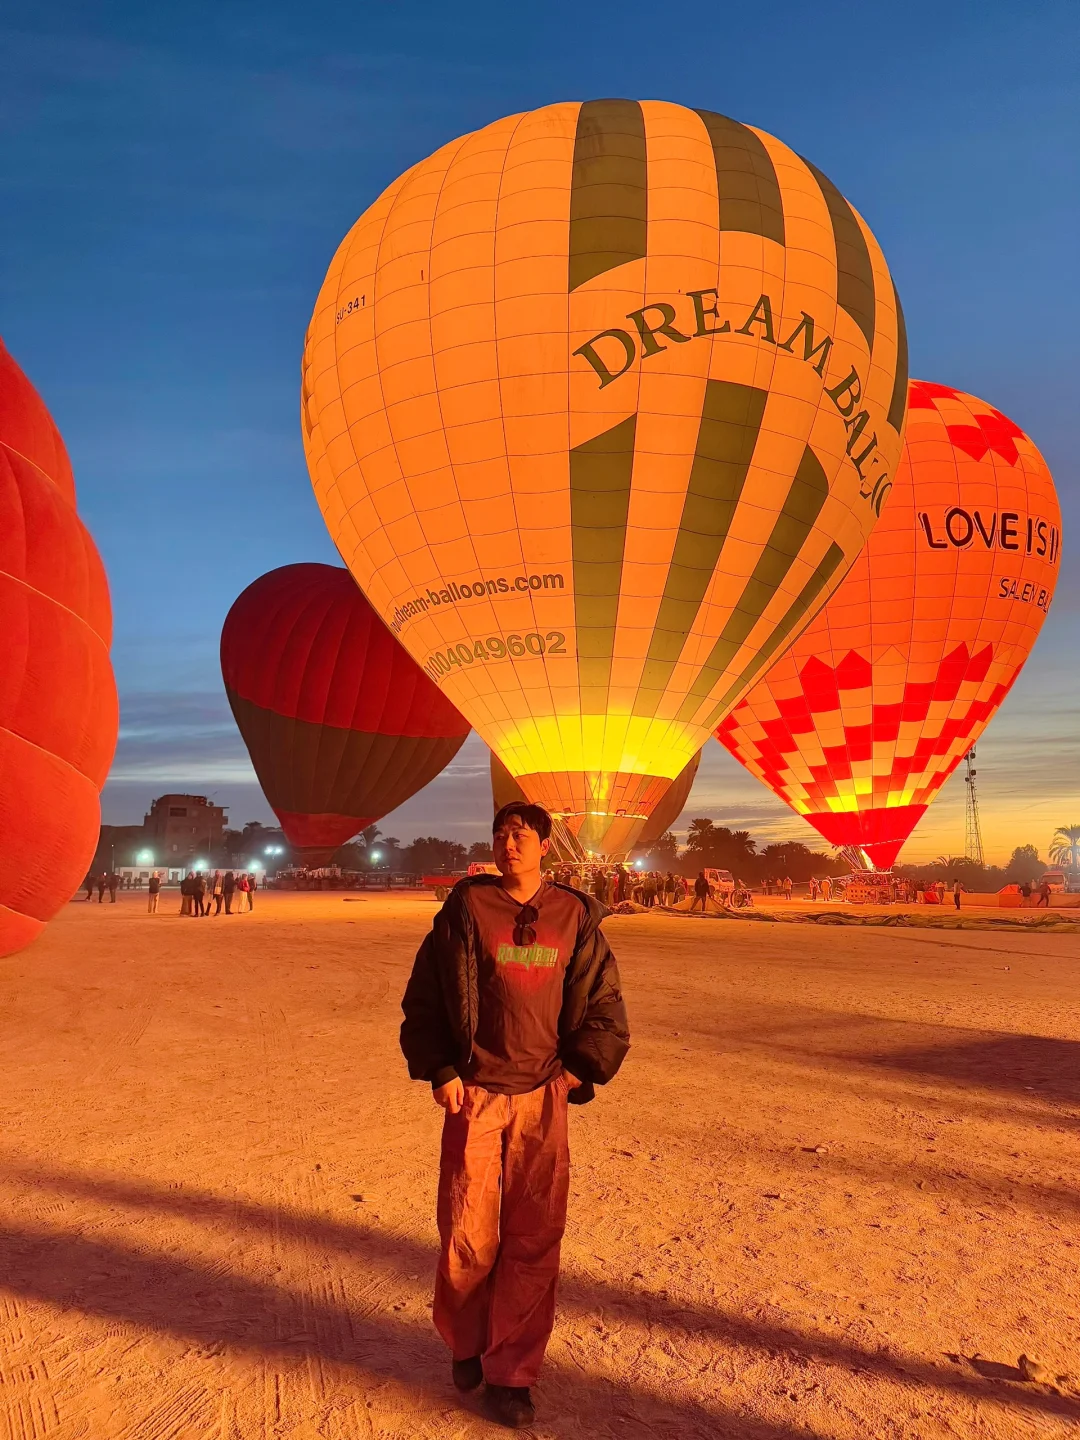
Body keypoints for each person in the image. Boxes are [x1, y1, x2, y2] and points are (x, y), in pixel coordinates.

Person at [400, 802, 629, 1431]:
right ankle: (467, 1342)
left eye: (522, 835)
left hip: (542, 1098)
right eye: (501, 834)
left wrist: (582, 1068)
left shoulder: (575, 915)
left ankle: (512, 1375)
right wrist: (441, 1069)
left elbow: (605, 1002)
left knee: (534, 1237)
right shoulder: (467, 910)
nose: (510, 844)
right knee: (467, 1232)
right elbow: (424, 997)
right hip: (475, 1093)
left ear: (547, 845)